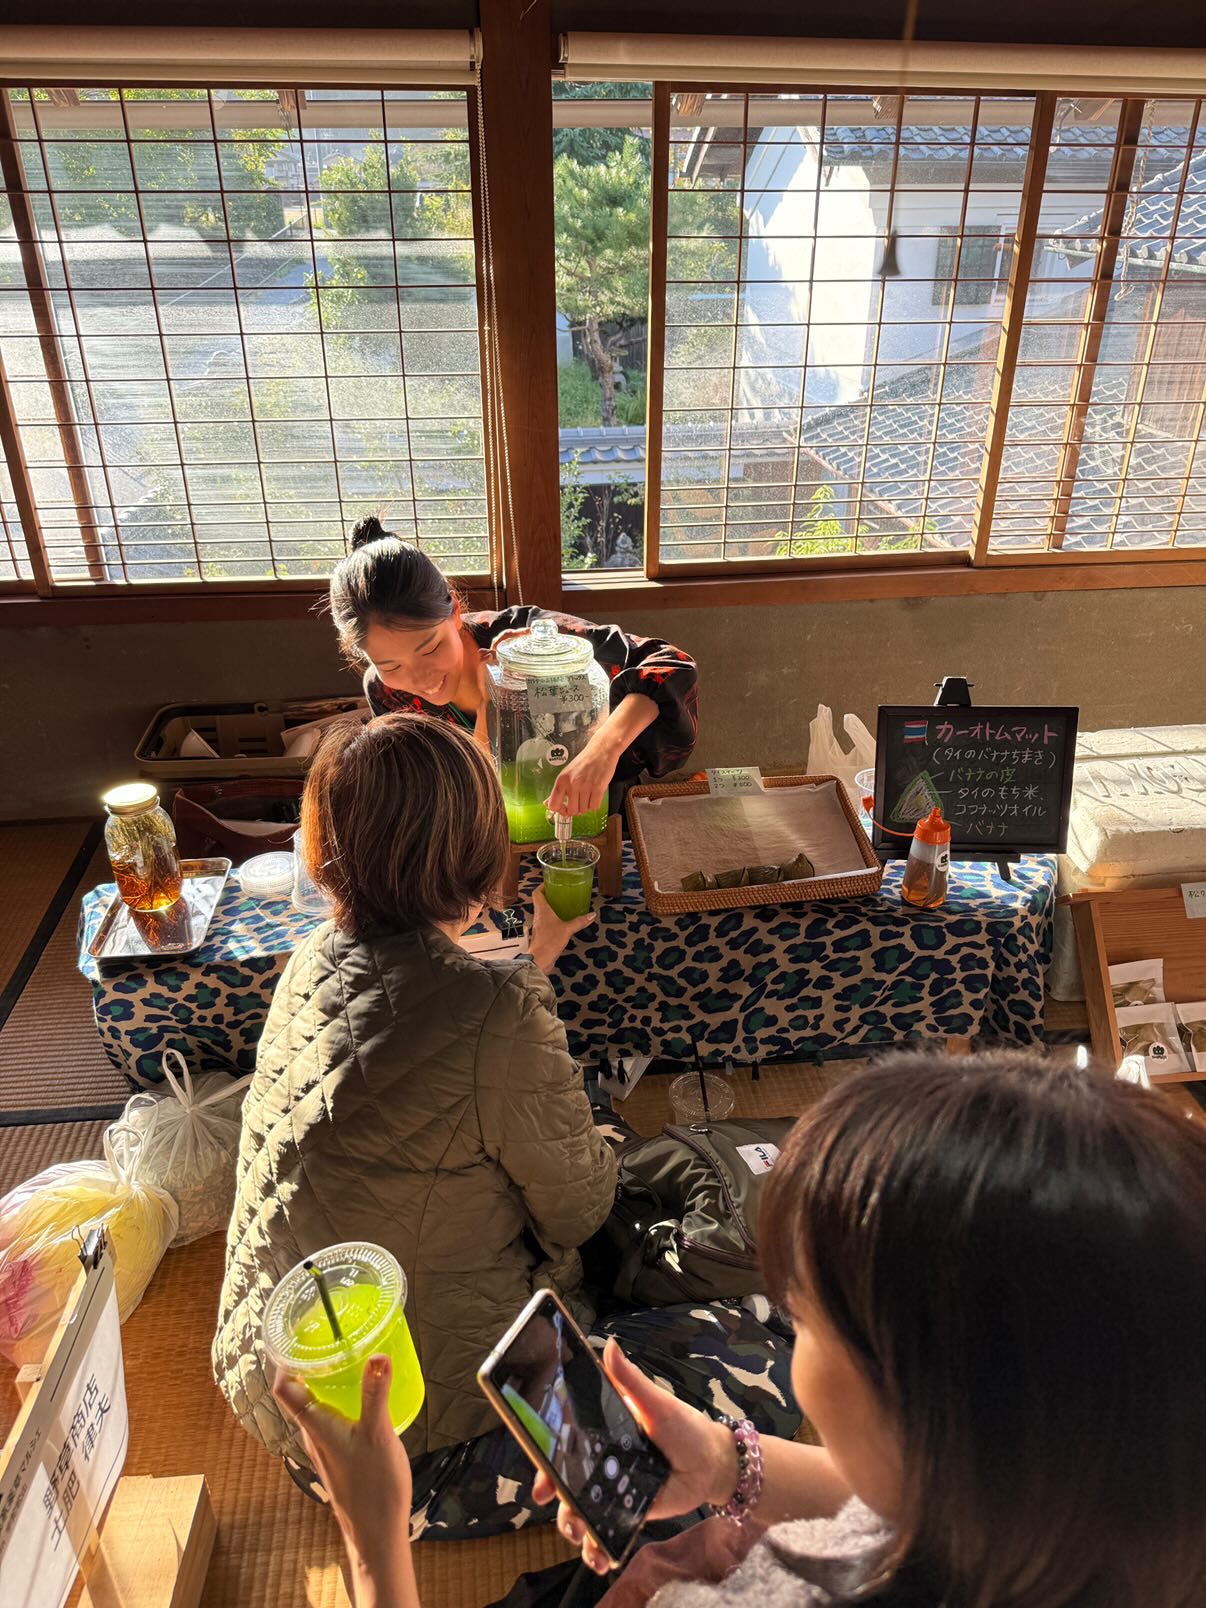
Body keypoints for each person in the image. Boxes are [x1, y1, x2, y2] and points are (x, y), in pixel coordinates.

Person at [272, 1052, 1206, 1606]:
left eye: (813, 1300)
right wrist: (727, 1466)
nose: (787, 1298)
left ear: (925, 1391)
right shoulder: (1098, 1502)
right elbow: (921, 1497)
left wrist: (374, 1545)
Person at [215, 713, 798, 1542]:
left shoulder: (310, 962)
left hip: (296, 1406)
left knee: (557, 1126)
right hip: (419, 1460)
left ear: (323, 847)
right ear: (478, 851)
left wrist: (529, 971)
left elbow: (435, 1047)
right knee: (763, 1338)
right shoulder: (495, 1011)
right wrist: (530, 1006)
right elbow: (578, 1213)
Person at [326, 514, 698, 822]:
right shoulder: (387, 692)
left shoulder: (528, 640)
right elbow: (452, 794)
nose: (420, 678)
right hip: (482, 835)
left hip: (596, 810)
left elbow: (667, 664)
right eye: (390, 663)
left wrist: (601, 751)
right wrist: (493, 706)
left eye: (430, 647)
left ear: (454, 610)